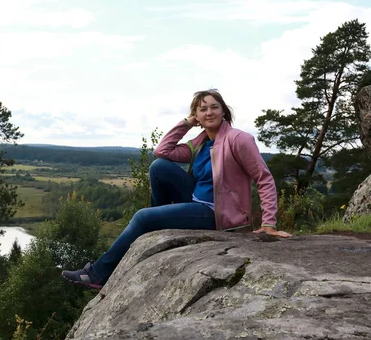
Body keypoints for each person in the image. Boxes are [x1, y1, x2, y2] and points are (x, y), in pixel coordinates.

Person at [61, 89, 291, 289]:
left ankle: (98, 274)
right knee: (158, 167)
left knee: (142, 217)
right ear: (197, 116)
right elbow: (163, 151)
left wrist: (269, 223)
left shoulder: (239, 139)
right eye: (203, 109)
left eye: (214, 107)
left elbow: (264, 178)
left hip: (217, 213)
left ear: (224, 112)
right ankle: (155, 226)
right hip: (195, 199)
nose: (209, 112)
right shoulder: (201, 142)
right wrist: (186, 124)